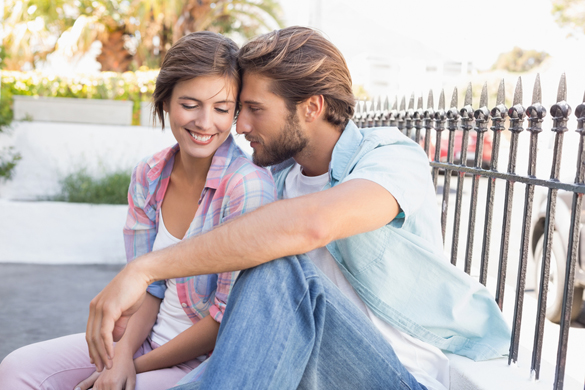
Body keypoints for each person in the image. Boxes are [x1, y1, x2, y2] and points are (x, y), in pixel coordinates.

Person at [86, 26, 511, 390]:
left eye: (253, 110)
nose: (241, 126)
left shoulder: (390, 157)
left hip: (392, 375)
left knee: (275, 264)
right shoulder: (273, 178)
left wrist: (145, 269)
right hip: (296, 372)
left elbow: (313, 225)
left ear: (311, 107)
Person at [0, 31, 275, 390]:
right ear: (165, 103)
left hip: (208, 361)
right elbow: (149, 288)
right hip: (145, 339)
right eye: (190, 104)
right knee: (18, 367)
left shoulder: (246, 187)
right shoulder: (150, 174)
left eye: (222, 109)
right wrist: (122, 355)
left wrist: (130, 367)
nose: (206, 123)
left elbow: (224, 320)